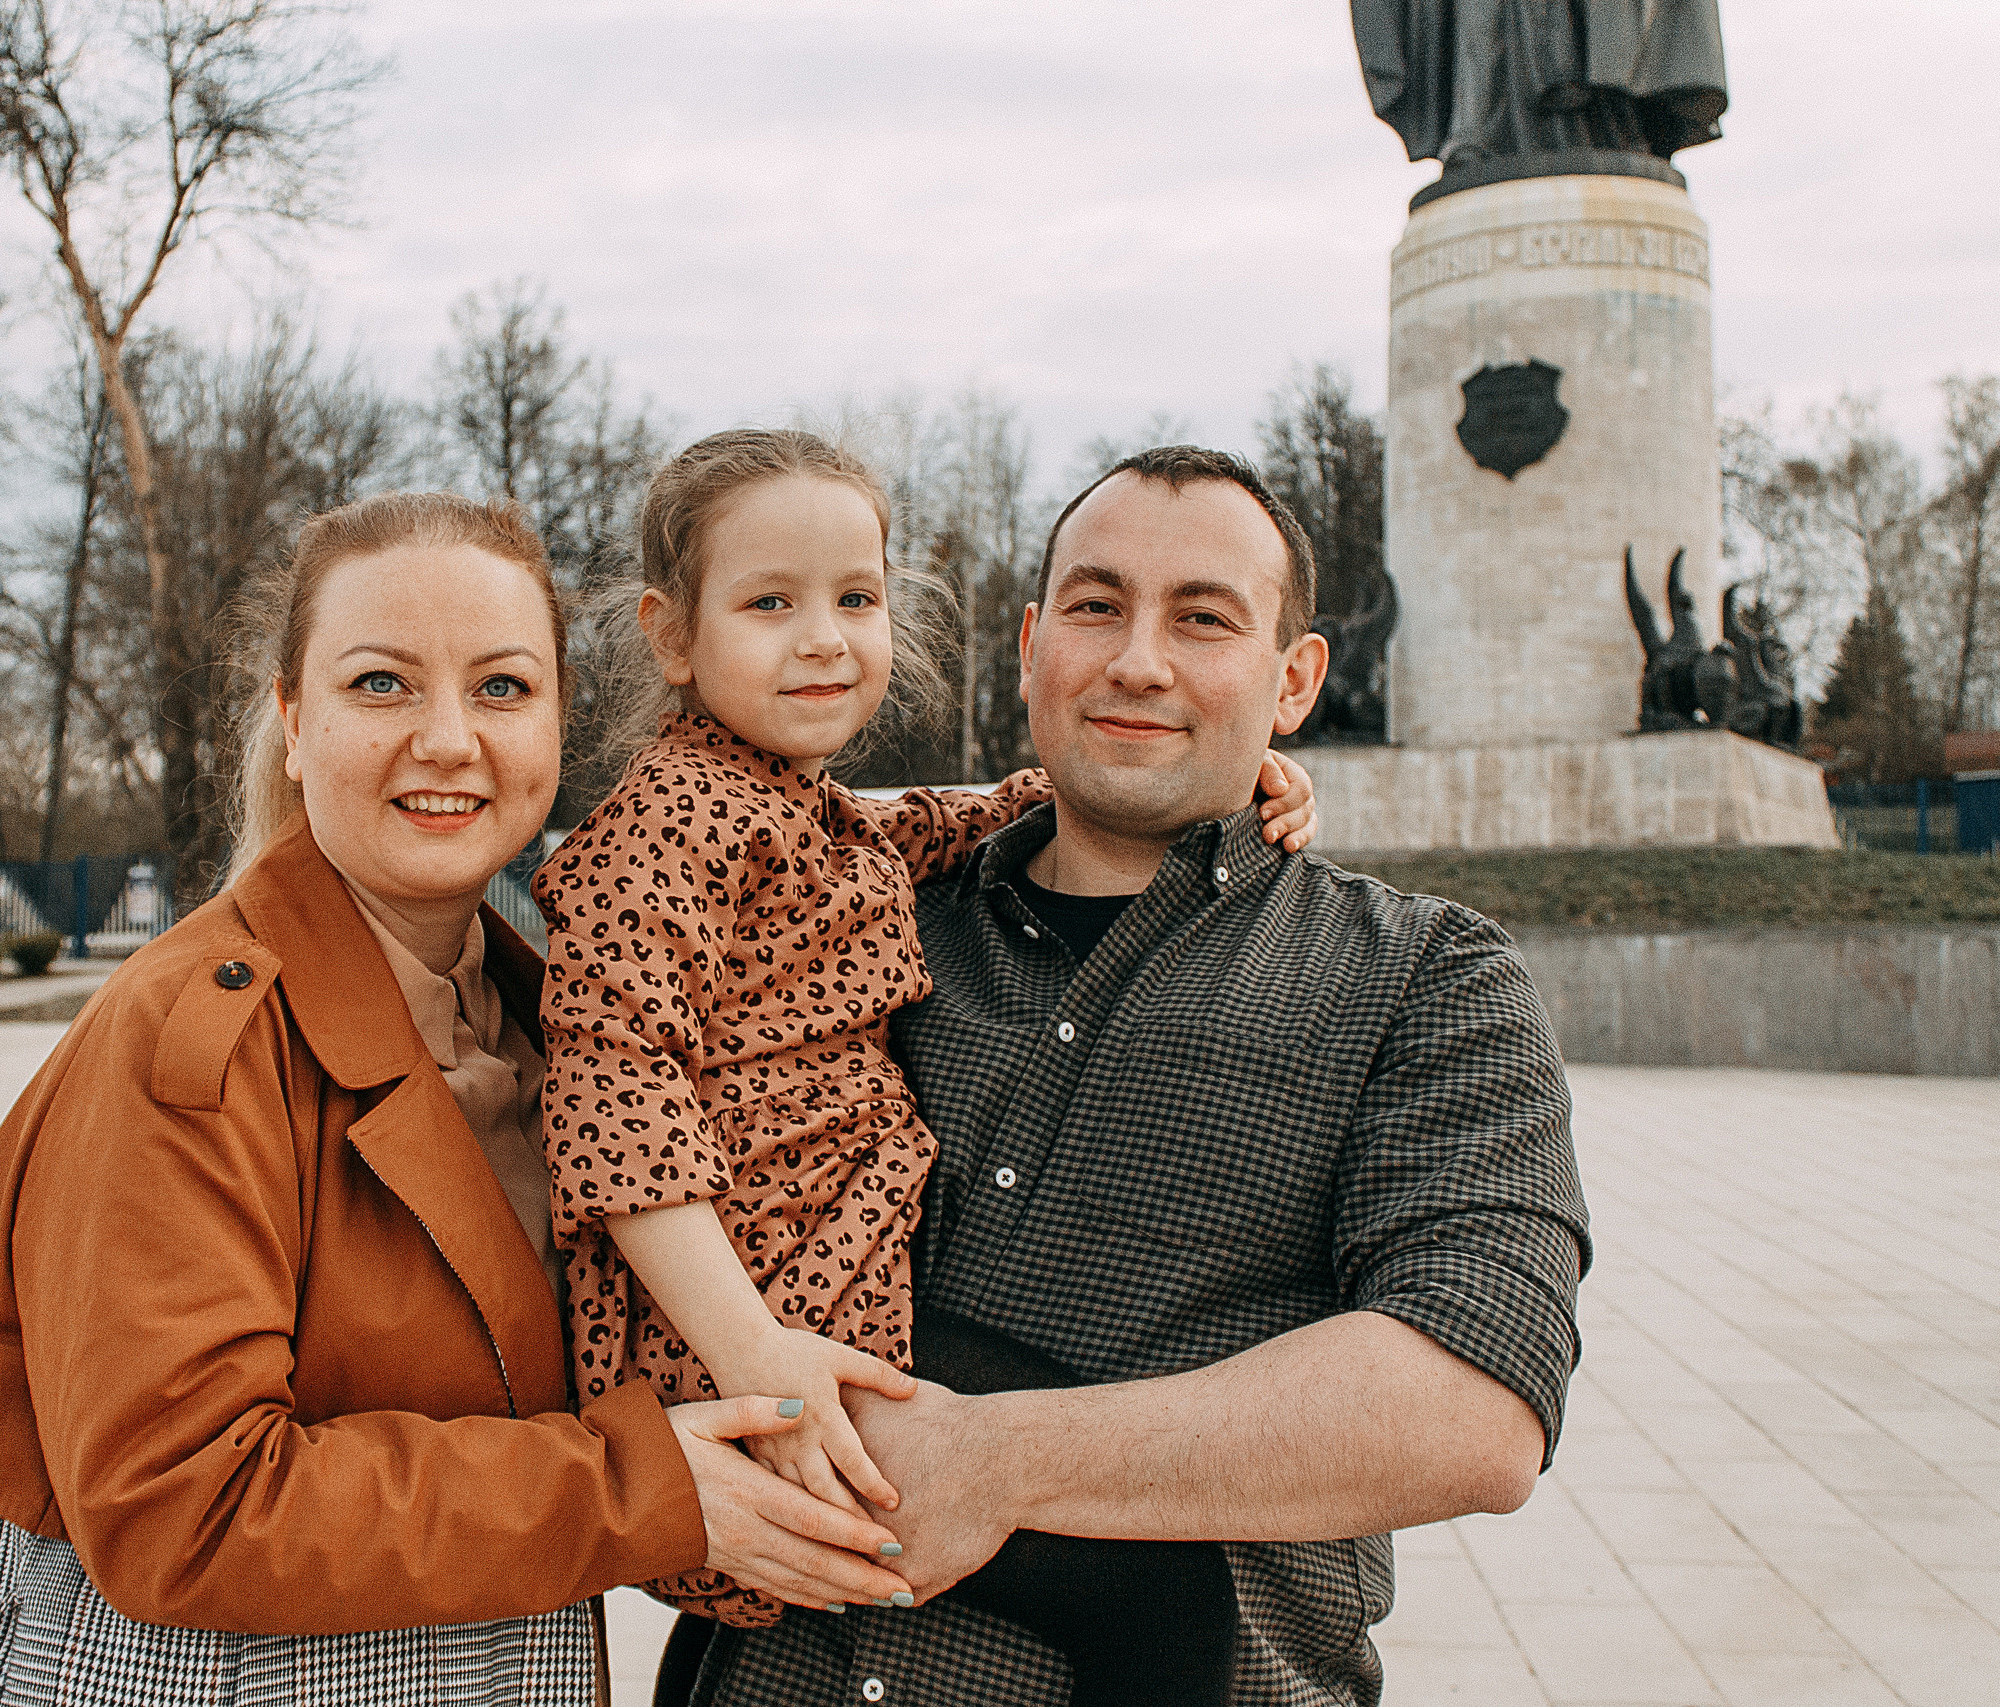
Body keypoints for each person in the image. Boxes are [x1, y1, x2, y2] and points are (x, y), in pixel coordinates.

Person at [0, 492, 921, 1707]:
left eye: (500, 688)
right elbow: (183, 1510)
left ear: (558, 725)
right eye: (381, 685)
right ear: (291, 721)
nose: (447, 740)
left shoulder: (554, 1021)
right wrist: (641, 1493)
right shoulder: (191, 1043)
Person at [679, 447, 1593, 1706]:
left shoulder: (1425, 977)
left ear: (1295, 680)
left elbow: (1470, 1407)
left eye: (1203, 619)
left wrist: (990, 1460)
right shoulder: (838, 918)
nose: (1137, 661)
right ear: (1030, 642)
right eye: (1097, 606)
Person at [529, 431, 1317, 1686]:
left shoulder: (800, 808)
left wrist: (1227, 765)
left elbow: (950, 818)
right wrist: (755, 1356)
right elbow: (614, 1098)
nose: (824, 638)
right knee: (1162, 1600)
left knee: (1088, 1580)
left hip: (822, 1295)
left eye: (857, 599)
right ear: (673, 637)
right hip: (783, 1321)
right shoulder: (663, 830)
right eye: (769, 603)